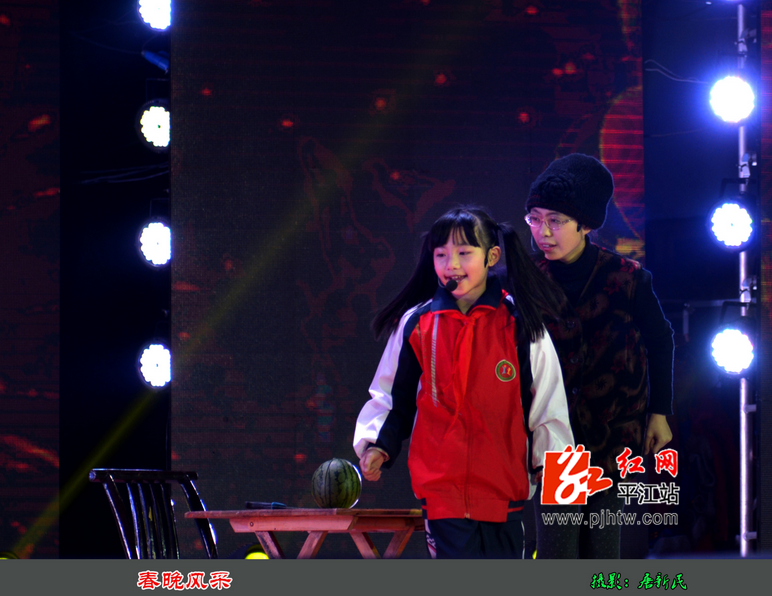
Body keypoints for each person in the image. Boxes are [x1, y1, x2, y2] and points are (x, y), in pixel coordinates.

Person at [353, 206, 574, 559]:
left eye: (464, 253)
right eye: (441, 254)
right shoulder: (417, 324)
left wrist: (552, 464)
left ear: (492, 256)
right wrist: (377, 445)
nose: (451, 265)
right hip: (442, 494)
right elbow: (392, 396)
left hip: (505, 492)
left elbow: (547, 401)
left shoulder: (520, 323)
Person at [524, 153, 675, 559]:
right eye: (535, 219)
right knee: (558, 555)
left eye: (555, 220)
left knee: (601, 553)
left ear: (586, 224)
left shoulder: (627, 278)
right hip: (554, 440)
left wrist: (659, 413)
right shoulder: (527, 281)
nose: (543, 232)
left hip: (613, 436)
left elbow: (661, 341)